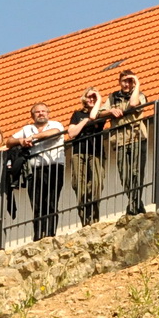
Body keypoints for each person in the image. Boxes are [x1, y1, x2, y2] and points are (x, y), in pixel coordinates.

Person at [12, 103, 66, 239]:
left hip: (54, 167)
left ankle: (50, 234)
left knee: (51, 202)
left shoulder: (56, 124)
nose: (41, 114)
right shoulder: (27, 128)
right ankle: (38, 235)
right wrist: (21, 140)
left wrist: (34, 137)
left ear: (48, 113)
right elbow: (8, 141)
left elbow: (54, 133)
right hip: (35, 169)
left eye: (43, 111)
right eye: (37, 112)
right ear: (32, 115)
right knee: (36, 203)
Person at [106, 69, 150, 215]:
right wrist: (110, 112)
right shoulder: (112, 97)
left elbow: (133, 104)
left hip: (137, 136)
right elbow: (99, 112)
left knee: (137, 172)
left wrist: (137, 83)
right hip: (119, 140)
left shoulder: (140, 95)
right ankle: (137, 204)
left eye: (130, 81)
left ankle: (133, 205)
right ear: (119, 82)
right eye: (124, 81)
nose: (126, 84)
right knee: (124, 173)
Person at [65, 89, 109, 226]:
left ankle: (94, 217)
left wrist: (99, 98)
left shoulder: (101, 113)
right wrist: (84, 122)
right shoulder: (77, 114)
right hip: (79, 153)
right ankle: (85, 219)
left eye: (94, 97)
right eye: (89, 97)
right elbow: (72, 133)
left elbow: (94, 117)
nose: (91, 99)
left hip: (95, 153)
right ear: (84, 99)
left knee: (96, 184)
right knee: (79, 185)